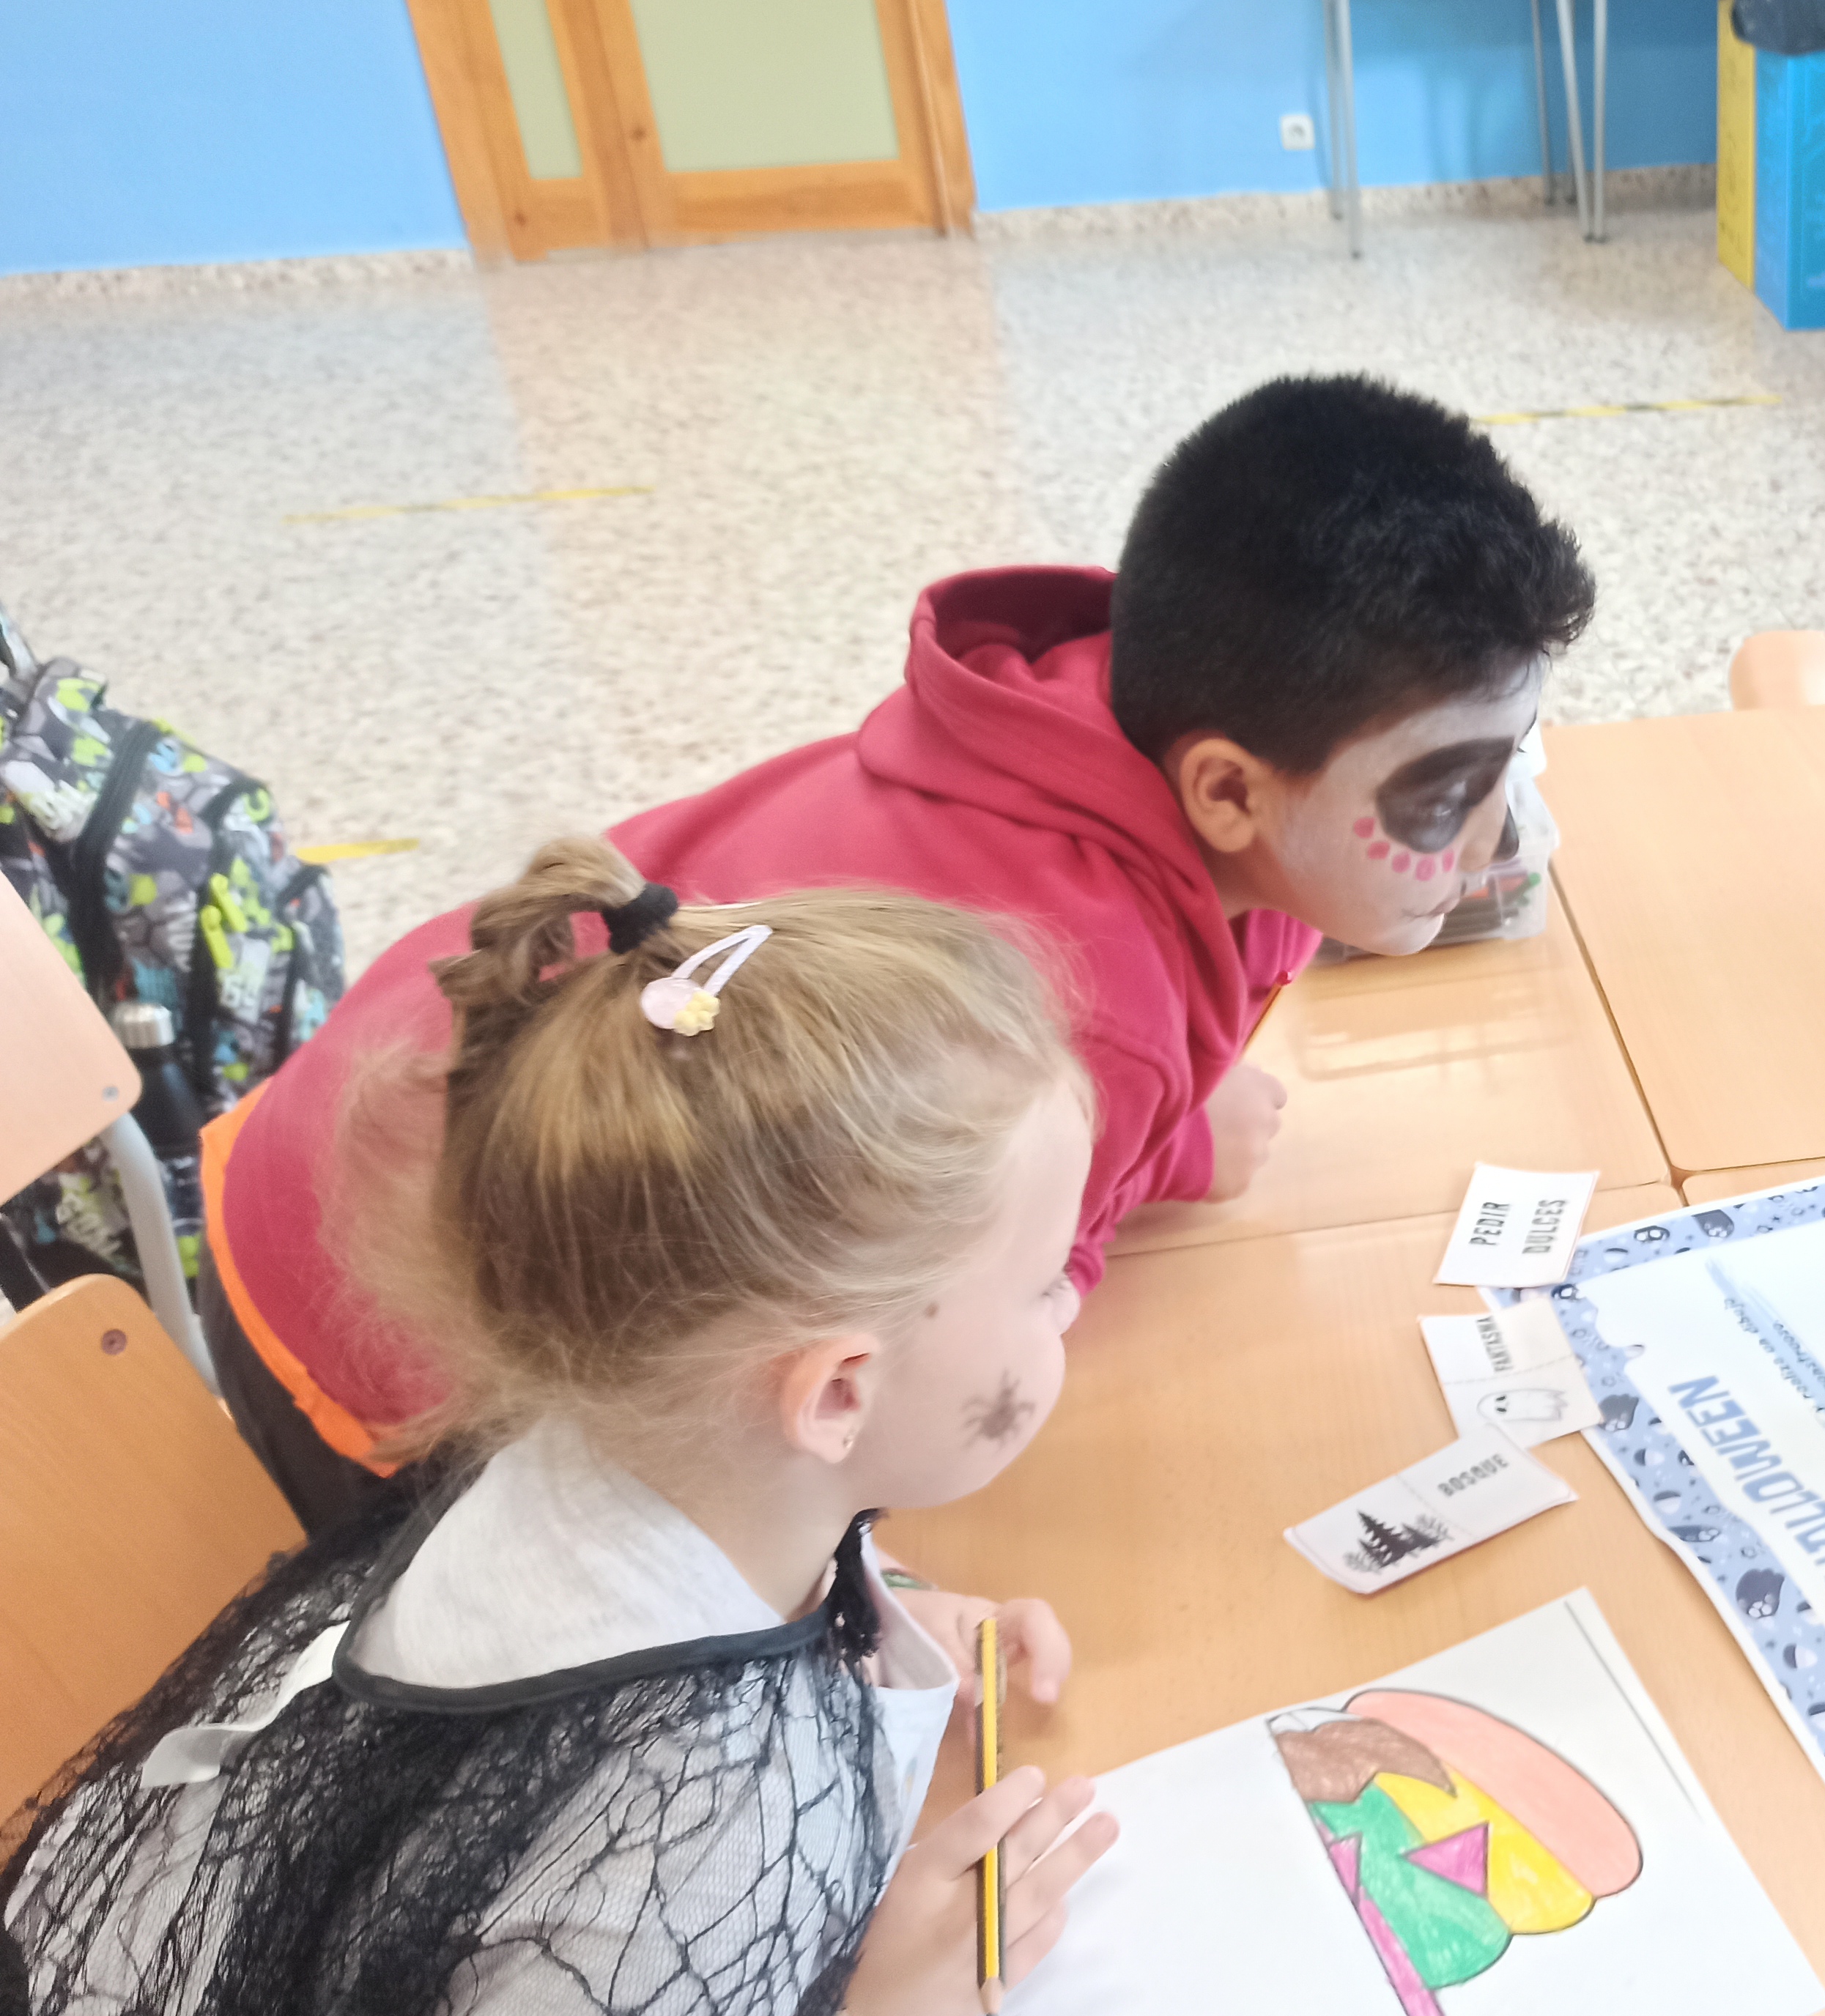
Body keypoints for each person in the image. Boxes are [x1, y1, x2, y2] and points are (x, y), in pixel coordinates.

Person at [0, 839, 1124, 2016]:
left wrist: (880, 1610)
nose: (1071, 1300)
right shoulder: (703, 1814)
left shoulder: (612, 1428)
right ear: (837, 1393)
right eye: (1044, 1281)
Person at [204, 373, 1596, 1537]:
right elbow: (942, 1350)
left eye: (1508, 760)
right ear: (1227, 790)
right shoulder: (1082, 1002)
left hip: (365, 1103)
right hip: (389, 1341)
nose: (1494, 836)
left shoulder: (1137, 707)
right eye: (1445, 792)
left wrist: (1166, 1118)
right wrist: (1165, 1136)